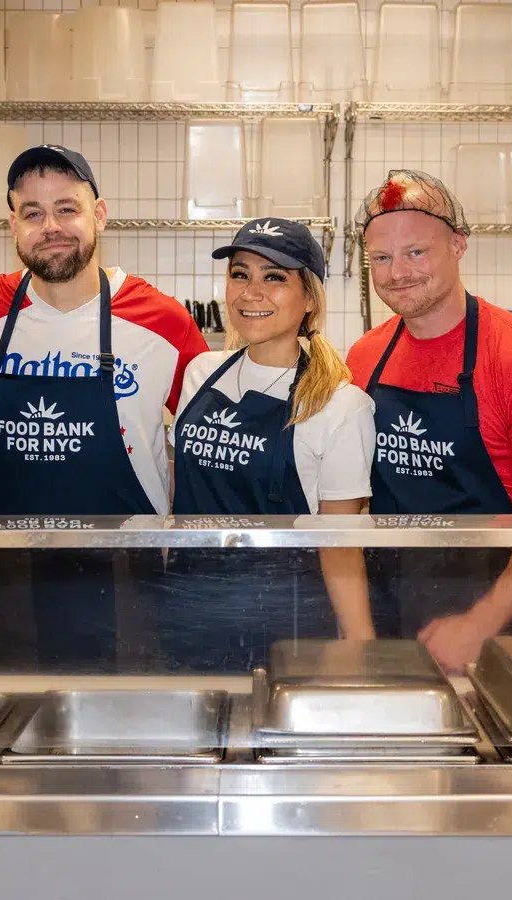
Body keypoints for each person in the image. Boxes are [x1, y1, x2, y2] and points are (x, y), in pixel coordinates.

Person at [0, 145, 206, 670]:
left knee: (121, 732)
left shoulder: (163, 321)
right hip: (3, 576)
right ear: (13, 225)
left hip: (125, 575)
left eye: (67, 208)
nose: (51, 226)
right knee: (4, 731)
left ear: (99, 214)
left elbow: (206, 442)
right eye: (33, 213)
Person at [346, 170, 512, 670]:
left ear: (458, 246)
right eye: (382, 258)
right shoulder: (366, 356)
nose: (397, 273)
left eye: (416, 252)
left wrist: (479, 624)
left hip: (485, 624)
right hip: (379, 611)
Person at [161, 219, 376, 671]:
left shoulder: (340, 404)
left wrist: (360, 648)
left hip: (286, 623)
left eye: (274, 277)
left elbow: (340, 545)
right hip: (188, 608)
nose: (250, 292)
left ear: (310, 298)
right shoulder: (202, 372)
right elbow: (180, 502)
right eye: (241, 274)